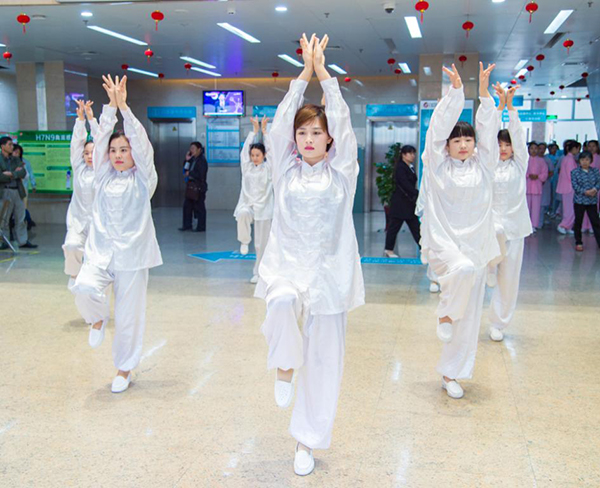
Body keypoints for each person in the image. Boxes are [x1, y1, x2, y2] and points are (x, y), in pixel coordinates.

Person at [255, 33, 364, 476]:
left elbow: (343, 121)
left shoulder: (343, 173)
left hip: (331, 278)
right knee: (280, 301)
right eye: (302, 133)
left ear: (329, 138)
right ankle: (284, 361)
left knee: (323, 361)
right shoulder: (284, 170)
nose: (307, 138)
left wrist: (325, 76)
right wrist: (304, 73)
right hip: (287, 268)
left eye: (316, 132)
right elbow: (279, 125)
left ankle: (306, 441)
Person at [71, 75, 162, 393]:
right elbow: (99, 143)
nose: (118, 154)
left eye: (124, 149)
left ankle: (124, 368)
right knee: (83, 287)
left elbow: (142, 145)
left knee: (128, 316)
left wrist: (124, 107)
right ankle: (97, 318)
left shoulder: (144, 180)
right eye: (113, 150)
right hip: (100, 253)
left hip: (132, 257)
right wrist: (109, 108)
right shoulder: (102, 177)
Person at [420, 62, 500, 400]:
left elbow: (490, 133)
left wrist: (484, 95)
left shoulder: (485, 167)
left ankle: (451, 373)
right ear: (448, 145)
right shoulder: (437, 167)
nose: (463, 144)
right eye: (457, 139)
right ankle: (445, 312)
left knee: (469, 320)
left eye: (468, 139)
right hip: (445, 246)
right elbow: (436, 130)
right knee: (461, 271)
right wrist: (456, 94)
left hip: (476, 247)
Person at [487, 85, 532, 342]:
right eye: (499, 144)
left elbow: (518, 135)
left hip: (515, 228)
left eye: (507, 144)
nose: (503, 148)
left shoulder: (520, 164)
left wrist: (511, 108)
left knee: (509, 279)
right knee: (495, 236)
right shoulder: (487, 165)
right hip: (490, 228)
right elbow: (486, 134)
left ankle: (498, 323)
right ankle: (491, 265)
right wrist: (499, 108)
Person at [234, 115, 273, 283]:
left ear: (264, 155)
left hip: (264, 208)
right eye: (253, 155)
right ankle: (244, 241)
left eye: (258, 155)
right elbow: (244, 152)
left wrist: (265, 132)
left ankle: (259, 272)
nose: (254, 157)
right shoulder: (247, 168)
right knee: (242, 213)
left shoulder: (269, 168)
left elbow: (273, 153)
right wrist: (254, 132)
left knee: (261, 243)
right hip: (248, 205)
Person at [0, 136, 37, 249]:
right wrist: (14, 174)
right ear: (2, 146)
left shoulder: (15, 159)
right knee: (5, 218)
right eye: (10, 144)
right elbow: (1, 176)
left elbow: (23, 172)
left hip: (18, 190)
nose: (12, 147)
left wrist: (11, 174)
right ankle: (4, 241)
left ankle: (22, 241)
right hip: (5, 191)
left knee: (21, 217)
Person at [384, 145, 421, 258]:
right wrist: (416, 193)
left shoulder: (409, 167)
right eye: (410, 153)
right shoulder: (400, 167)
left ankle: (423, 248)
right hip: (400, 203)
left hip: (408, 203)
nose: (413, 156)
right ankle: (389, 250)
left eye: (413, 153)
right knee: (394, 227)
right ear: (403, 155)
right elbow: (404, 184)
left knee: (415, 227)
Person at [556, 141, 592, 234]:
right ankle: (563, 225)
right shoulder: (569, 159)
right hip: (570, 187)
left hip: (569, 187)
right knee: (570, 209)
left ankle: (568, 226)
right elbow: (571, 174)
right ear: (574, 149)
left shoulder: (569, 158)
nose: (578, 151)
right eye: (578, 149)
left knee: (571, 208)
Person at [571, 151, 600, 251]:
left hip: (592, 201)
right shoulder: (575, 172)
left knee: (596, 222)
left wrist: (594, 190)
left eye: (587, 160)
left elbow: (598, 182)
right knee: (578, 222)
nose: (585, 162)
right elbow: (575, 185)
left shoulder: (595, 171)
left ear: (591, 161)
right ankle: (578, 242)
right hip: (579, 201)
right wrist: (585, 192)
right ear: (579, 161)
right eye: (582, 159)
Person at [180, 141, 208, 232]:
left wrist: (190, 173)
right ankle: (187, 225)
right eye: (190, 148)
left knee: (199, 207)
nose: (191, 150)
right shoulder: (192, 159)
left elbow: (201, 174)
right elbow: (185, 168)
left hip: (199, 187)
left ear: (199, 149)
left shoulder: (202, 161)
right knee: (187, 206)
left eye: (193, 148)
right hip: (191, 187)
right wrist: (187, 160)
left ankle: (201, 227)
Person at [11, 144, 37, 231]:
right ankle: (27, 221)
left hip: (23, 188)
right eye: (15, 152)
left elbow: (30, 173)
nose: (16, 154)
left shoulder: (25, 162)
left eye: (18, 152)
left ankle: (28, 221)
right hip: (11, 188)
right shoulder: (8, 162)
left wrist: (33, 185)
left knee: (23, 207)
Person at [525, 142, 548, 231]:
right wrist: (528, 175)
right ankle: (526, 225)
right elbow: (521, 171)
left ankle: (534, 225)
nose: (533, 150)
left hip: (537, 187)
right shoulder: (525, 160)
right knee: (526, 207)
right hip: (527, 187)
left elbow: (545, 173)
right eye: (531, 148)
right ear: (528, 150)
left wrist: (538, 176)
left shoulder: (542, 161)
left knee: (536, 208)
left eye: (535, 148)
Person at [547, 143, 561, 217]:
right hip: (548, 179)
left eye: (556, 148)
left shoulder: (559, 157)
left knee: (555, 195)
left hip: (556, 178)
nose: (554, 150)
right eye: (553, 148)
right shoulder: (547, 157)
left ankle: (554, 210)